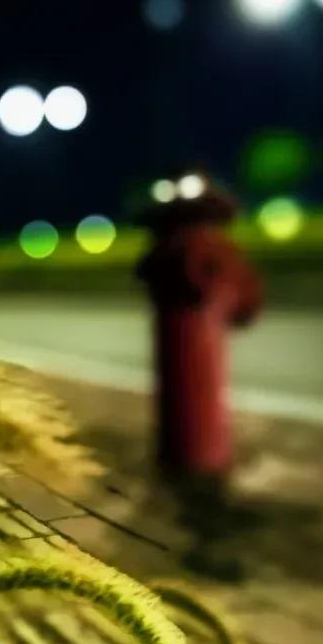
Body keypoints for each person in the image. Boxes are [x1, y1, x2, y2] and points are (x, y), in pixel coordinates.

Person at [136, 170, 263, 485]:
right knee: (202, 419)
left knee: (187, 417)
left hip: (181, 339)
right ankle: (204, 461)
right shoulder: (213, 249)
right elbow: (245, 300)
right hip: (203, 342)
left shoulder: (168, 252)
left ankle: (189, 461)